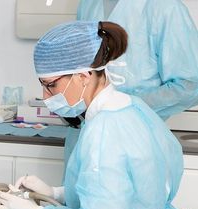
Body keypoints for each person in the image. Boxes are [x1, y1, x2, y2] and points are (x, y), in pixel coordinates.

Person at [0, 21, 194, 209]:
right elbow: (127, 190)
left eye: (51, 85)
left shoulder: (104, 132)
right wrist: (57, 193)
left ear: (84, 76)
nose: (45, 96)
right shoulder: (133, 107)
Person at [62, 0, 198, 164]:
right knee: (76, 187)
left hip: (134, 140)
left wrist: (123, 106)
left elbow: (189, 86)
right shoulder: (88, 4)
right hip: (85, 140)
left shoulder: (165, 8)